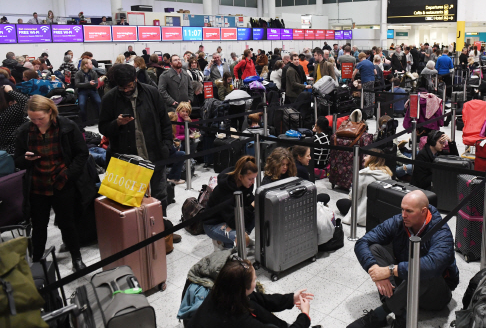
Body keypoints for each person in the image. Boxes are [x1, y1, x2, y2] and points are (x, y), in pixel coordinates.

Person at [349, 190, 458, 328]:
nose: (403, 215)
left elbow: (433, 265)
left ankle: (381, 313)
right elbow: (362, 242)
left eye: (409, 211)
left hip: (435, 293)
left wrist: (389, 271)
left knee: (425, 270)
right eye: (402, 209)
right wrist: (375, 269)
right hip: (405, 280)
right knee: (374, 249)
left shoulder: (441, 231)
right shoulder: (399, 221)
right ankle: (401, 312)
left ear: (424, 211)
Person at [99, 64, 179, 244]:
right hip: (126, 159)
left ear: (135, 80)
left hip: (154, 154)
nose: (126, 90)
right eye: (122, 88)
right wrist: (117, 123)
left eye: (128, 86)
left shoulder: (151, 92)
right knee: (129, 200)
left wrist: (166, 145)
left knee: (159, 195)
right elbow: (103, 127)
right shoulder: (110, 98)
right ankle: (136, 238)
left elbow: (164, 121)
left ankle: (162, 232)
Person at [14, 96, 93, 271]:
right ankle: (36, 260)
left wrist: (68, 174)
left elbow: (82, 154)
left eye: (40, 118)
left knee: (67, 223)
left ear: (50, 112)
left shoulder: (67, 127)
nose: (36, 122)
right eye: (32, 119)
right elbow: (18, 159)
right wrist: (26, 159)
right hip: (37, 186)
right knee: (39, 225)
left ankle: (76, 257)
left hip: (62, 183)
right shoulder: (25, 131)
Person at [188, 255, 315, 328]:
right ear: (244, 287)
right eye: (255, 279)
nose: (256, 281)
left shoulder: (224, 292)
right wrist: (305, 316)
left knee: (253, 304)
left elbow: (263, 299)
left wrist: (291, 298)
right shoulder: (239, 320)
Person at [203, 156, 258, 249]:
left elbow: (248, 203)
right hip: (213, 224)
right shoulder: (224, 190)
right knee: (242, 239)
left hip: (230, 218)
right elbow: (233, 222)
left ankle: (230, 242)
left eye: (254, 178)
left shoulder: (246, 185)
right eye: (250, 179)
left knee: (258, 213)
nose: (253, 182)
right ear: (240, 177)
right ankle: (223, 241)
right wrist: (252, 206)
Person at [337, 149, 392, 227]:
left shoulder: (363, 174)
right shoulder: (387, 174)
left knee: (340, 202)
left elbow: (354, 196)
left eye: (366, 156)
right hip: (379, 215)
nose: (364, 158)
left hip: (363, 215)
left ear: (372, 158)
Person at [0, 85, 27, 154]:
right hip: (13, 150)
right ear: (10, 103)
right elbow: (25, 102)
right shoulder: (8, 114)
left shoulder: (4, 114)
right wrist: (10, 91)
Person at [354, 52, 375, 117]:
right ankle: (372, 113)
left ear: (360, 58)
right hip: (372, 80)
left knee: (366, 97)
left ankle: (367, 114)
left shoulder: (361, 63)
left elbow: (354, 73)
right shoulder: (371, 62)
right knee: (371, 96)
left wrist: (352, 79)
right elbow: (375, 72)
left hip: (365, 81)